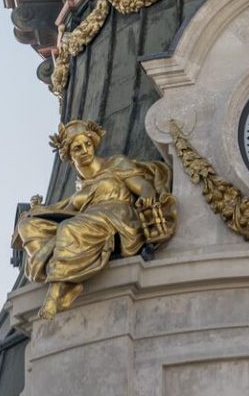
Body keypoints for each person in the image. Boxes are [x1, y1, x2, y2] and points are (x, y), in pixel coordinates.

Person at [16, 120, 175, 319]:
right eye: (77, 148)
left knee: (68, 229)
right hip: (89, 219)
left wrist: (147, 196)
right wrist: (35, 213)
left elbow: (143, 186)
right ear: (69, 155)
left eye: (87, 145)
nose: (84, 150)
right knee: (28, 227)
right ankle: (65, 276)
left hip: (119, 216)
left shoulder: (116, 164)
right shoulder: (79, 189)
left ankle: (55, 293)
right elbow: (64, 209)